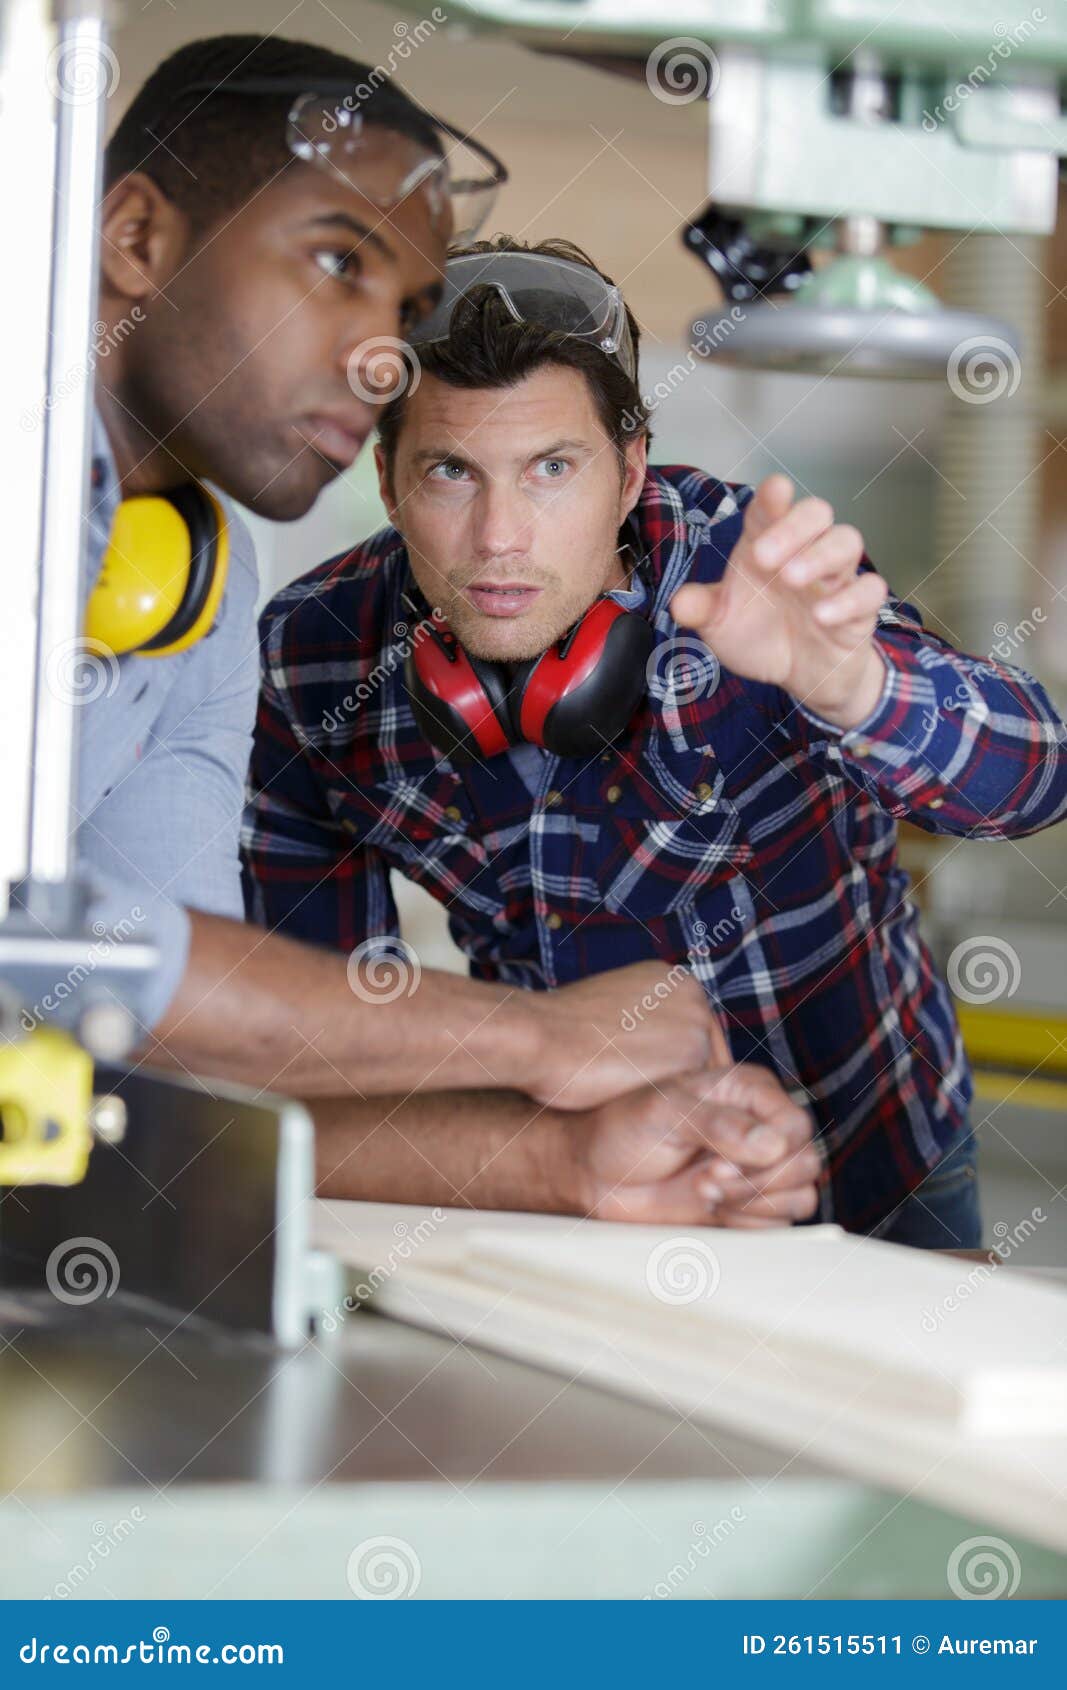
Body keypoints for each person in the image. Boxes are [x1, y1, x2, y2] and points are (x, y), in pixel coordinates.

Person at [244, 235, 1067, 1241]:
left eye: (551, 468)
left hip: (873, 1161)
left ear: (629, 469)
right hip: (582, 1179)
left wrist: (854, 687)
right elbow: (318, 1037)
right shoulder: (316, 658)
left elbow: (1039, 773)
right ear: (387, 480)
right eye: (451, 471)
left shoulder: (747, 567)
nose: (499, 537)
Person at [50, 35, 727, 1119]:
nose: (380, 360)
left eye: (405, 314)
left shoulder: (204, 590)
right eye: (337, 265)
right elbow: (37, 947)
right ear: (135, 237)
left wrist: (579, 1164)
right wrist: (534, 1036)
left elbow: (162, 1033)